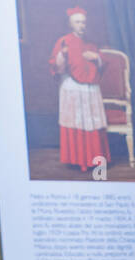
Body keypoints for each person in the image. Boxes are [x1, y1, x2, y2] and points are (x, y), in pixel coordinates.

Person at [48, 6, 110, 173]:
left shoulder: (91, 42)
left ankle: (93, 159)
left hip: (90, 88)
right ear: (70, 24)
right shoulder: (63, 41)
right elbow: (56, 67)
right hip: (72, 88)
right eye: (77, 22)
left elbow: (103, 63)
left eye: (83, 22)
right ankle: (78, 160)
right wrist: (63, 55)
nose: (81, 25)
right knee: (77, 121)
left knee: (91, 121)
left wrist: (95, 57)